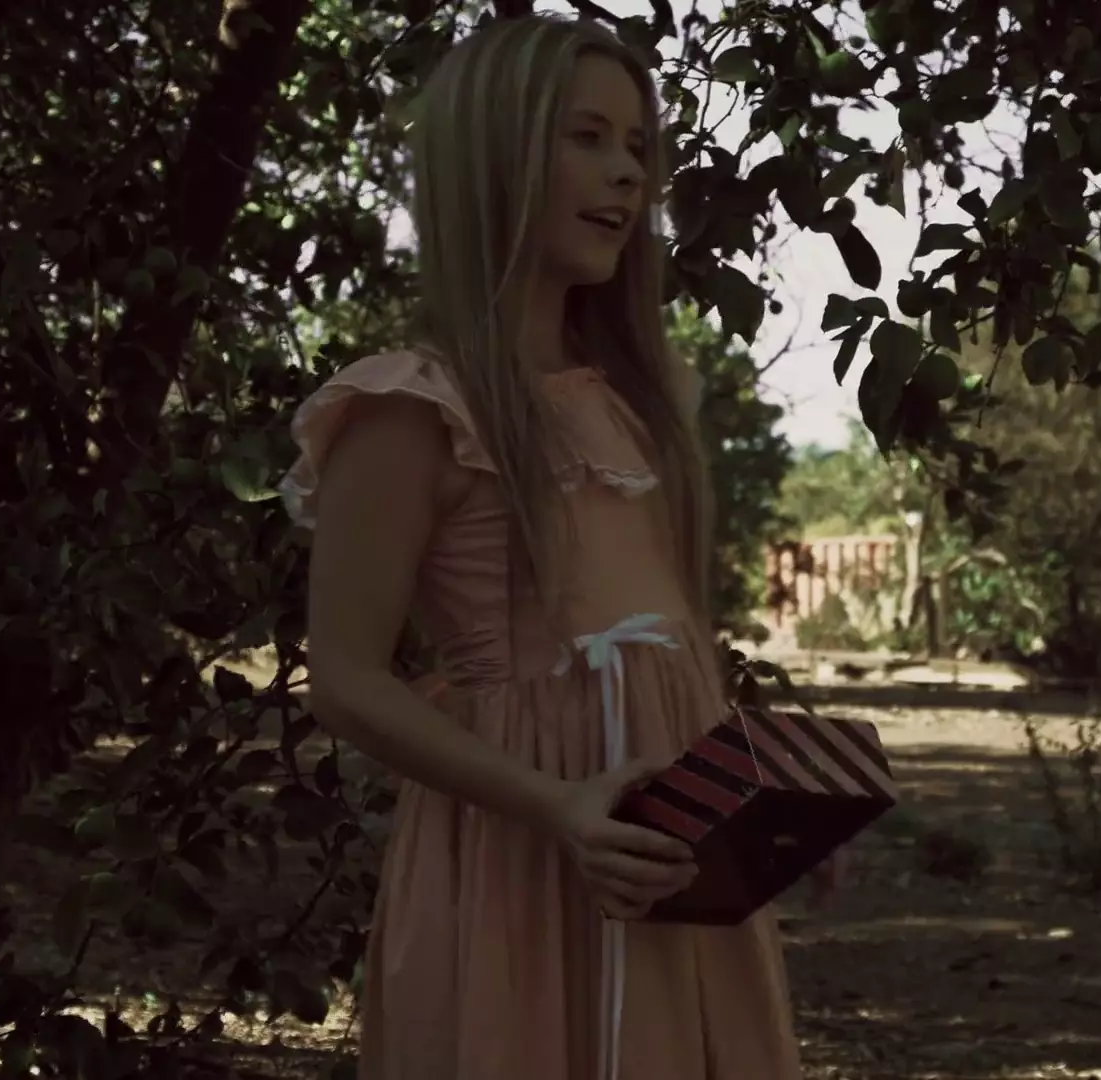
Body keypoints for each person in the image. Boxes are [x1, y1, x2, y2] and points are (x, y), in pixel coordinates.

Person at [277, 13, 807, 1080]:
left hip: (660, 866)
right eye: (588, 137)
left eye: (639, 148)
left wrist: (760, 818)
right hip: (518, 863)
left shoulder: (641, 407)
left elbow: (672, 659)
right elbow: (344, 679)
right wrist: (558, 805)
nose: (628, 174)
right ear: (495, 153)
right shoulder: (413, 407)